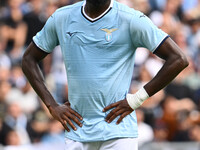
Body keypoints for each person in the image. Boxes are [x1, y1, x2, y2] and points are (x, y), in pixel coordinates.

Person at [21, 0, 189, 149]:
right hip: (77, 130)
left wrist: (137, 99)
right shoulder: (62, 17)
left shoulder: (131, 19)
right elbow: (28, 59)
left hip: (118, 132)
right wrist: (52, 105)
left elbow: (178, 59)